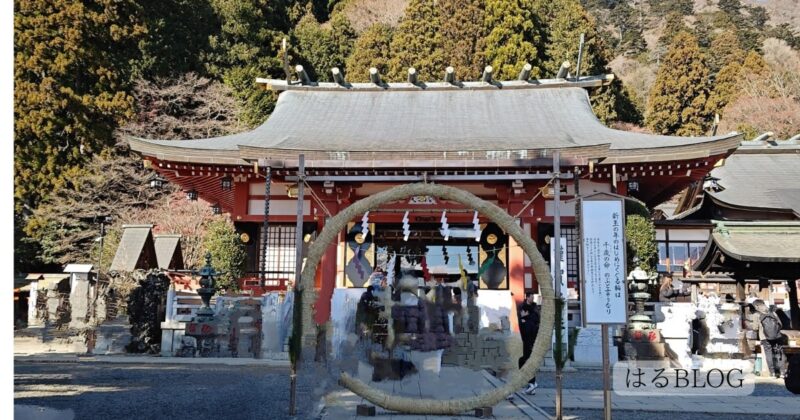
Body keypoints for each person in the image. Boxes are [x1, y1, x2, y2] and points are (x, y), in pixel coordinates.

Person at [753, 299, 787, 378]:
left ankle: (773, 373)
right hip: (777, 336)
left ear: (756, 306)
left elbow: (755, 328)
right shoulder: (772, 312)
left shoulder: (756, 314)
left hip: (764, 338)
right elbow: (780, 324)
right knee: (779, 353)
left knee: (769, 354)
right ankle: (782, 372)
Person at [518, 292, 540, 395]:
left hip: (532, 338)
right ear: (527, 297)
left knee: (527, 361)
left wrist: (525, 319)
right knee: (523, 361)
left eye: (533, 297)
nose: (533, 298)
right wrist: (524, 318)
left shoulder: (535, 308)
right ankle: (532, 383)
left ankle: (532, 383)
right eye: (531, 297)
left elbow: (536, 320)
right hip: (523, 339)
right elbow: (521, 321)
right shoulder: (523, 307)